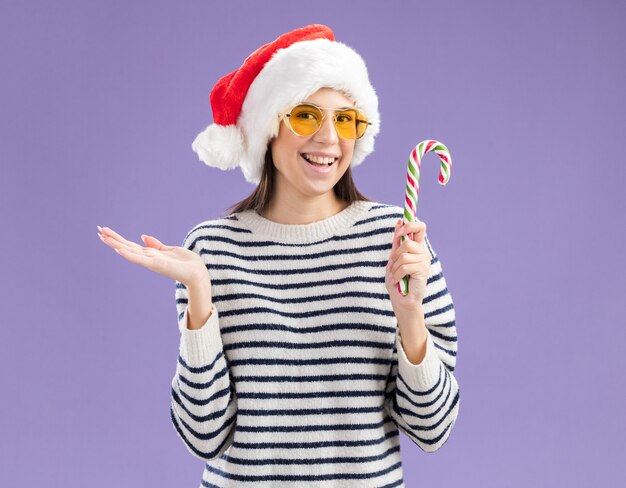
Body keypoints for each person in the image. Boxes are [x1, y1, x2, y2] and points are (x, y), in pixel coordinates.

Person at [98, 24, 460, 488]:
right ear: (269, 128)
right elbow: (202, 437)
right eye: (307, 116)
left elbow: (433, 429)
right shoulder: (211, 248)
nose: (330, 138)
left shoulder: (398, 244)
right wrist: (200, 299)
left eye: (346, 119)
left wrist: (410, 317)